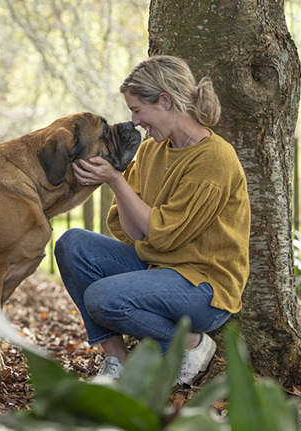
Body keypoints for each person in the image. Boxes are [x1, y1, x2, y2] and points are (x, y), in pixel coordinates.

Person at [55, 55, 250, 385]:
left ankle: (191, 344)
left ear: (165, 100)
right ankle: (117, 360)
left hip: (205, 285)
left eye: (137, 110)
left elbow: (163, 235)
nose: (134, 122)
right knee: (71, 244)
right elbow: (135, 233)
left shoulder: (215, 160)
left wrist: (116, 180)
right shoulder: (150, 151)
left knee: (103, 298)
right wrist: (114, 180)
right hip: (157, 267)